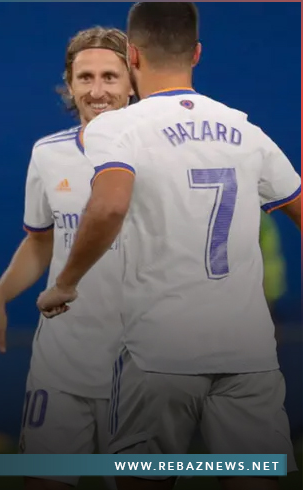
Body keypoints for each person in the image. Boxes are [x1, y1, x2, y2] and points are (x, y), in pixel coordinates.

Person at [36, 3, 300, 490]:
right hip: (248, 350)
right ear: (196, 53)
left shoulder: (117, 127)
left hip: (159, 351)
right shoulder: (245, 131)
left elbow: (109, 207)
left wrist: (66, 282)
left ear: (132, 56)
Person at [0, 27, 133, 490]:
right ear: (69, 83)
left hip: (140, 367)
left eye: (110, 76)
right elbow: (42, 241)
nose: (98, 90)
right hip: (61, 360)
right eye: (85, 77)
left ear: (132, 81)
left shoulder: (159, 154)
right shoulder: (48, 153)